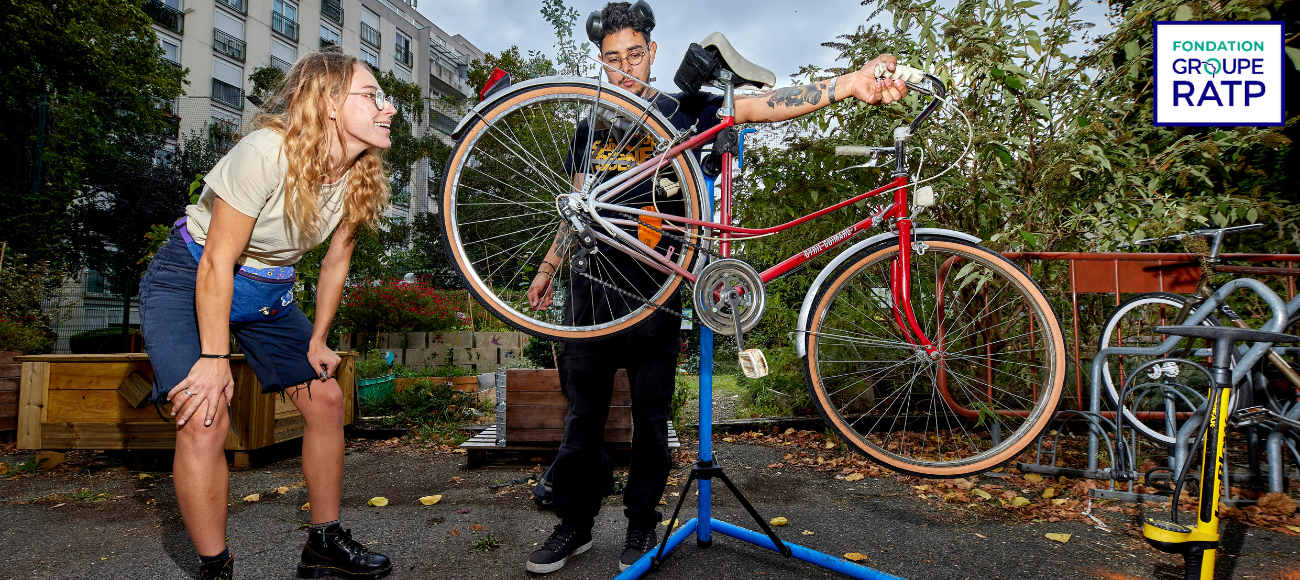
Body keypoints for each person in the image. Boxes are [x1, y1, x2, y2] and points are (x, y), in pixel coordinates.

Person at [522, 1, 909, 574]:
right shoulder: (589, 125)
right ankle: (574, 525)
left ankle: (640, 526)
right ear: (599, 63)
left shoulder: (688, 110)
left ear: (652, 53)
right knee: (583, 416)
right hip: (590, 288)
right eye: (612, 59)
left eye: (634, 54)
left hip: (656, 285)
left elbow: (760, 107)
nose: (624, 67)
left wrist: (848, 85)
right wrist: (549, 266)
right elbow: (578, 207)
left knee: (652, 418)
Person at [139, 51, 395, 580]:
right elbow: (217, 259)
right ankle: (216, 566)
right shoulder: (266, 152)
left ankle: (323, 543)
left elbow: (334, 264)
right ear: (327, 104)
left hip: (267, 294)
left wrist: (319, 339)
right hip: (191, 277)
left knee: (326, 398)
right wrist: (214, 358)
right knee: (206, 414)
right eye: (371, 95)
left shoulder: (360, 175)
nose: (387, 107)